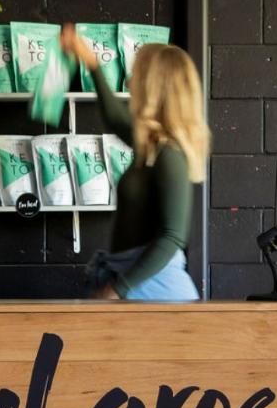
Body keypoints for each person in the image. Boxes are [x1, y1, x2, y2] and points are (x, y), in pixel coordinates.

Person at [59, 24, 209, 301]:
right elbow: (116, 119)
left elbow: (172, 237)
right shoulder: (151, 146)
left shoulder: (169, 156)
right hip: (138, 284)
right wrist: (90, 63)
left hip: (155, 290)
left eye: (136, 75)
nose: (129, 82)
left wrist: (118, 288)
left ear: (154, 88)